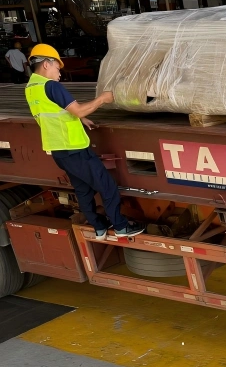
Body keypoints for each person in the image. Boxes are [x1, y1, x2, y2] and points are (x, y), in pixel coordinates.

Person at [24, 43, 144, 240]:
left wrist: (79, 119)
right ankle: (121, 227)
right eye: (57, 67)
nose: (59, 73)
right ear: (46, 64)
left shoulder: (31, 88)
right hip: (75, 149)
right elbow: (77, 109)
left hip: (58, 150)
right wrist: (103, 99)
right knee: (107, 187)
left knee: (83, 190)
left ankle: (99, 228)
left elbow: (54, 113)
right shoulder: (51, 86)